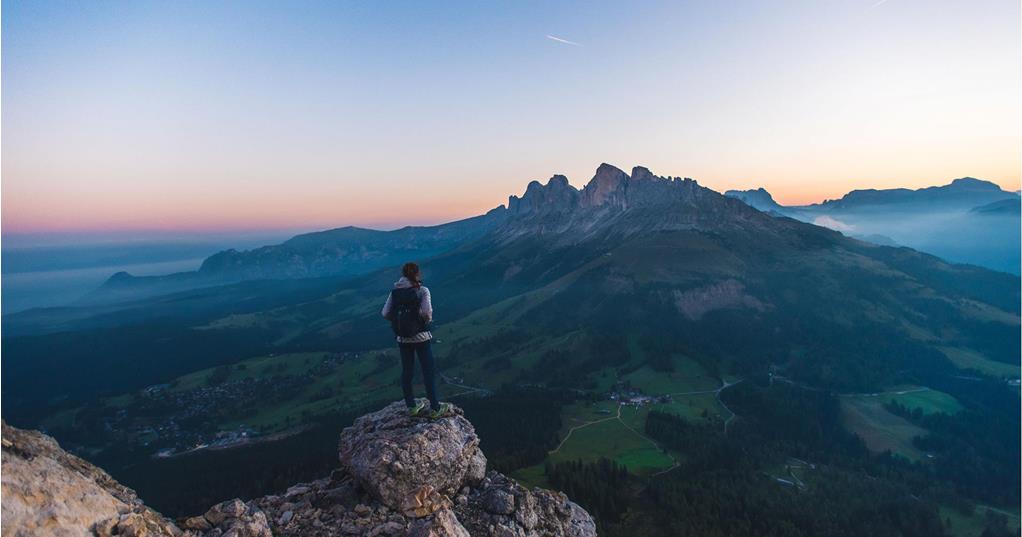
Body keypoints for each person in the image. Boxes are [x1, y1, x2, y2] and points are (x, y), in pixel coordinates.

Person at [381, 262, 449, 418]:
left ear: (403, 274)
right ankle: (435, 407)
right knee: (427, 371)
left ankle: (411, 406)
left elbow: (384, 313)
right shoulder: (422, 290)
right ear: (417, 274)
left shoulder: (395, 292)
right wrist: (423, 321)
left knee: (407, 372)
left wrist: (399, 320)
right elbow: (427, 312)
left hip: (403, 338)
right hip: (421, 337)